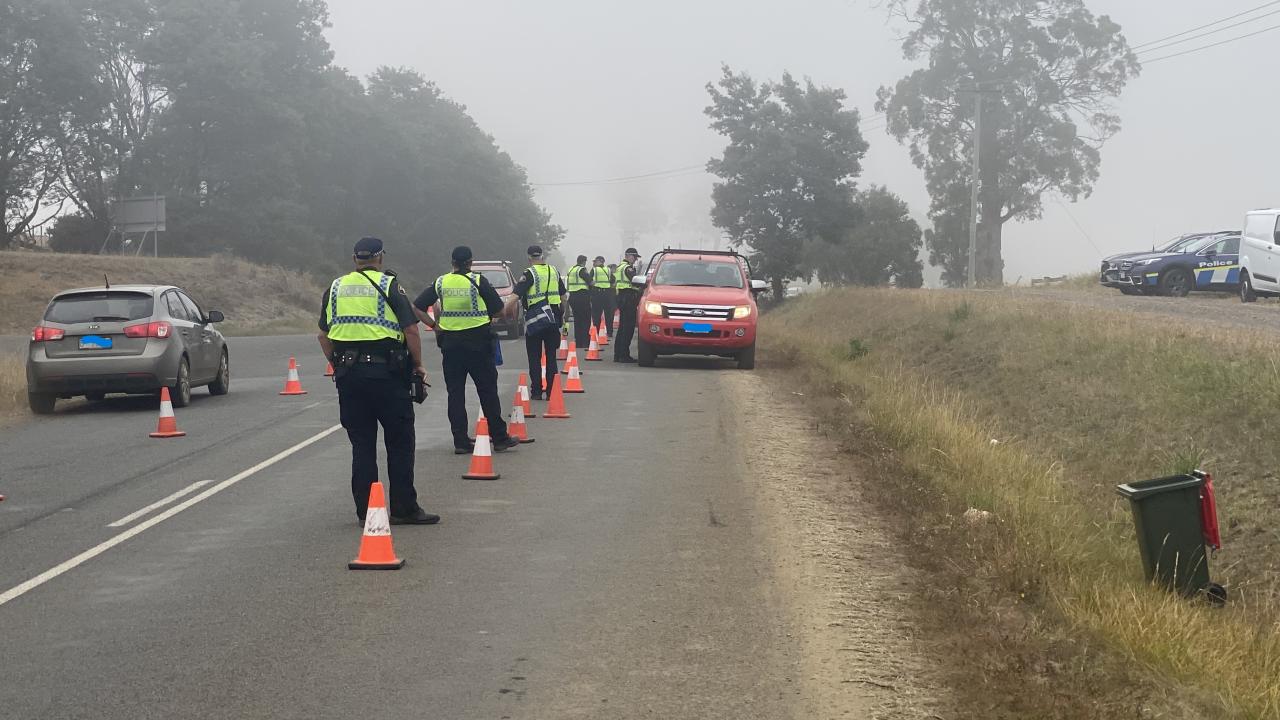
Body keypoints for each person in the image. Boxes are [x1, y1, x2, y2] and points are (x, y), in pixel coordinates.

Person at [317, 236, 438, 526]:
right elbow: (411, 330)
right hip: (387, 377)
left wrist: (338, 363)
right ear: (380, 257)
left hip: (349, 376)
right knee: (399, 442)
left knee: (362, 445)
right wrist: (419, 365)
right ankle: (404, 508)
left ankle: (367, 512)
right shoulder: (389, 285)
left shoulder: (335, 287)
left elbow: (323, 335)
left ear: (354, 258)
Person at [413, 245, 520, 455]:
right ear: (470, 262)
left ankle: (460, 441)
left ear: (452, 263)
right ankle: (499, 438)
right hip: (478, 343)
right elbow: (498, 309)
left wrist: (435, 326)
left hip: (451, 344)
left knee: (455, 393)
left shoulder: (441, 281)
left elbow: (417, 306)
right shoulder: (478, 281)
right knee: (487, 391)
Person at [512, 245, 565, 399]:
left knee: (534, 356)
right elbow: (563, 296)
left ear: (529, 258)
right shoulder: (554, 271)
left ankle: (536, 391)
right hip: (553, 317)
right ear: (542, 256)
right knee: (551, 355)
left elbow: (516, 295)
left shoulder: (529, 273)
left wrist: (502, 310)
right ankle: (551, 392)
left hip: (535, 318)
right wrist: (564, 313)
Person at [613, 248, 642, 363]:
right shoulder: (628, 268)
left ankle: (618, 354)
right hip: (628, 297)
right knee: (628, 328)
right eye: (634, 257)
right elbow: (636, 282)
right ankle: (624, 355)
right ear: (628, 256)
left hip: (622, 297)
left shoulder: (620, 267)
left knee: (622, 328)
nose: (635, 260)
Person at [565, 254, 594, 348]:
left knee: (577, 320)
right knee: (585, 319)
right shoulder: (582, 269)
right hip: (582, 296)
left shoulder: (571, 270)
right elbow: (589, 281)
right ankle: (585, 342)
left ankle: (579, 342)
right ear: (583, 262)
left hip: (573, 296)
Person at [590, 255, 613, 336]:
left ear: (600, 261)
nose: (594, 263)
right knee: (608, 314)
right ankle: (610, 332)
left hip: (597, 293)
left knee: (596, 314)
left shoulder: (594, 270)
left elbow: (589, 280)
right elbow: (613, 280)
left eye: (596, 261)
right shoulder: (608, 270)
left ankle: (597, 331)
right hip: (607, 293)